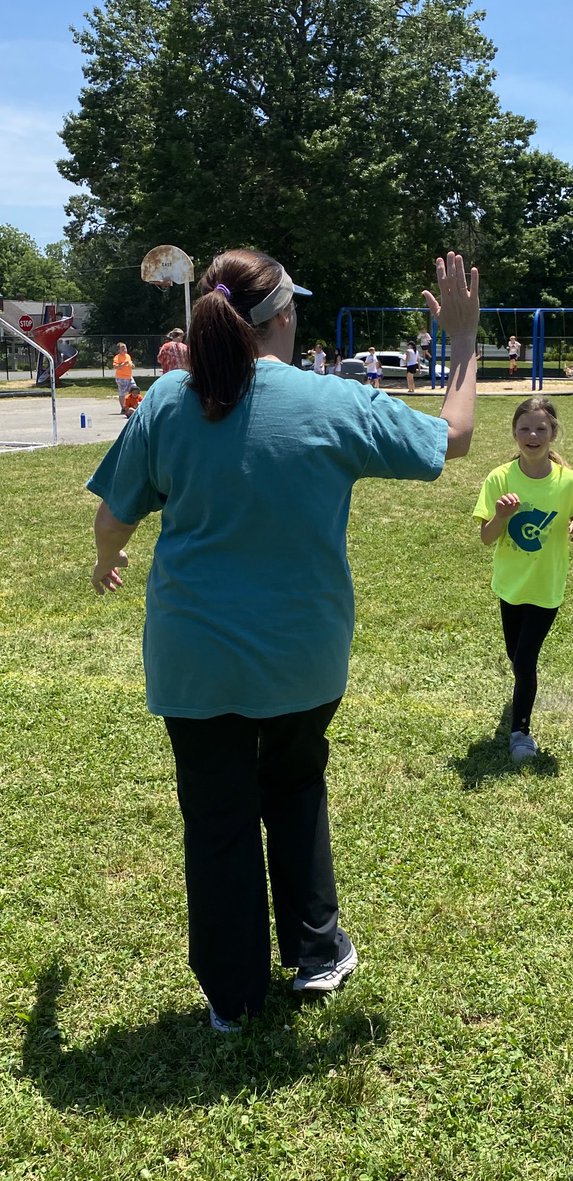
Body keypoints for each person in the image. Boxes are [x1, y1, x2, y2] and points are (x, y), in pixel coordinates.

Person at [87, 249, 479, 1032]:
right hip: (302, 655)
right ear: (285, 317)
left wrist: (108, 559)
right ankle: (315, 954)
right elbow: (454, 437)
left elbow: (113, 518)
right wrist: (463, 345)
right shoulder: (334, 401)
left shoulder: (167, 398)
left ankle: (232, 999)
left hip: (193, 661)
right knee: (295, 788)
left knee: (216, 816)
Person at [473, 397, 573, 763]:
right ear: (514, 433)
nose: (532, 435)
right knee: (515, 656)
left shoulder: (567, 481)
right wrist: (502, 515)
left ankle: (520, 732)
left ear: (553, 433)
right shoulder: (500, 478)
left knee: (525, 659)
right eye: (524, 428)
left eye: (541, 428)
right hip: (510, 585)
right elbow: (486, 537)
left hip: (546, 586)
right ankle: (519, 703)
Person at [112, 342, 134, 413]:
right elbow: (115, 366)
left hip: (129, 377)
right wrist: (123, 364)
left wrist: (132, 365)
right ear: (119, 350)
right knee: (122, 393)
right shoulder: (117, 357)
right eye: (122, 349)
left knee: (134, 389)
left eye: (125, 348)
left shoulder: (128, 356)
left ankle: (133, 405)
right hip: (121, 378)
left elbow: (130, 363)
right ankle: (123, 408)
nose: (124, 350)